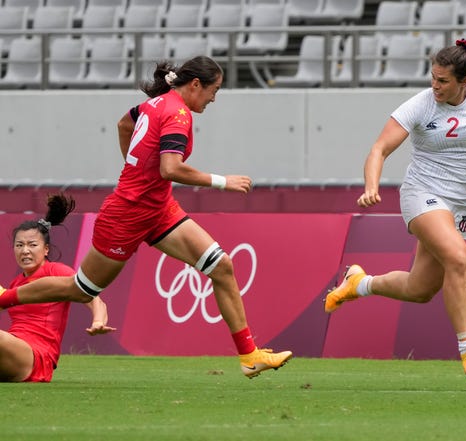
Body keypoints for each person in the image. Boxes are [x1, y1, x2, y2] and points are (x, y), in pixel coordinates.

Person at [0, 56, 292, 378]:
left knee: (222, 267)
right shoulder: (178, 115)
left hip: (158, 208)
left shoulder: (155, 104)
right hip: (127, 214)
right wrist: (222, 181)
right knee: (81, 290)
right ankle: (5, 297)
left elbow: (123, 125)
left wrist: (136, 169)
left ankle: (250, 356)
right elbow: (171, 168)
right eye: (214, 90)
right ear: (196, 84)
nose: (213, 99)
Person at [324, 39, 466, 380]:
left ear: (463, 81)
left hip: (462, 201)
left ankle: (359, 283)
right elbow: (379, 148)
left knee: (420, 289)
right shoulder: (420, 105)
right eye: (433, 77)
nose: (434, 86)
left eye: (442, 81)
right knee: (458, 257)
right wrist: (371, 186)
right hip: (421, 193)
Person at [0, 194, 115, 382]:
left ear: (46, 249)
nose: (25, 251)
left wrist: (98, 321)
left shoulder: (57, 271)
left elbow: (94, 298)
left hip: (37, 356)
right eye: (19, 245)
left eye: (32, 245)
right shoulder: (16, 284)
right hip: (13, 351)